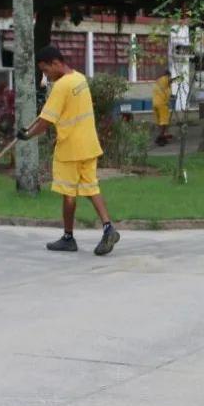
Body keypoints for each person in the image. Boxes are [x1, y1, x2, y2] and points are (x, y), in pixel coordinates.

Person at [18, 45, 121, 256]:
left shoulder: (62, 86)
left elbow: (46, 121)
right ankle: (108, 227)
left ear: (56, 63)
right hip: (89, 144)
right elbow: (57, 111)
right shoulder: (79, 78)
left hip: (70, 148)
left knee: (68, 193)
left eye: (46, 70)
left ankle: (68, 237)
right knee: (92, 188)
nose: (46, 75)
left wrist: (26, 135)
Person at [152, 70, 173, 146]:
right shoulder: (166, 79)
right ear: (168, 75)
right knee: (164, 122)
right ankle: (160, 138)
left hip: (155, 104)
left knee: (159, 122)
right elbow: (170, 80)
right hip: (162, 104)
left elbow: (165, 91)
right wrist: (178, 78)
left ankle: (162, 136)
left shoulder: (158, 81)